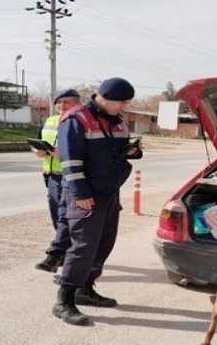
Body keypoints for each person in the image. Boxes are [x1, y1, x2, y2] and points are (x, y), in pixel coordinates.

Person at [52, 77, 142, 326]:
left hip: (109, 192)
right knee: (83, 246)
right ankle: (64, 300)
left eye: (126, 103)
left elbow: (118, 151)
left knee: (104, 243)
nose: (123, 107)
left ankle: (86, 288)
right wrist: (81, 195)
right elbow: (70, 162)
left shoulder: (118, 119)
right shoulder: (75, 118)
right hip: (86, 194)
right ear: (104, 97)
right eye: (120, 102)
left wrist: (133, 151)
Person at [33, 88, 82, 272]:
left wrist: (66, 154)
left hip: (72, 176)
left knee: (64, 216)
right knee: (57, 216)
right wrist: (40, 151)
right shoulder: (50, 121)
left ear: (77, 103)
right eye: (58, 103)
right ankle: (65, 251)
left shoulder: (80, 122)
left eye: (66, 102)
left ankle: (55, 256)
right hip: (52, 176)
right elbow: (40, 144)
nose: (61, 106)